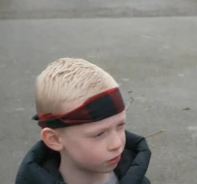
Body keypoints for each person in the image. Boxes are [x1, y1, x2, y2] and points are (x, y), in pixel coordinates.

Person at [15, 58, 152, 184]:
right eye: (99, 134)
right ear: (54, 139)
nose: (117, 144)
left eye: (120, 126)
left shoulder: (136, 179)